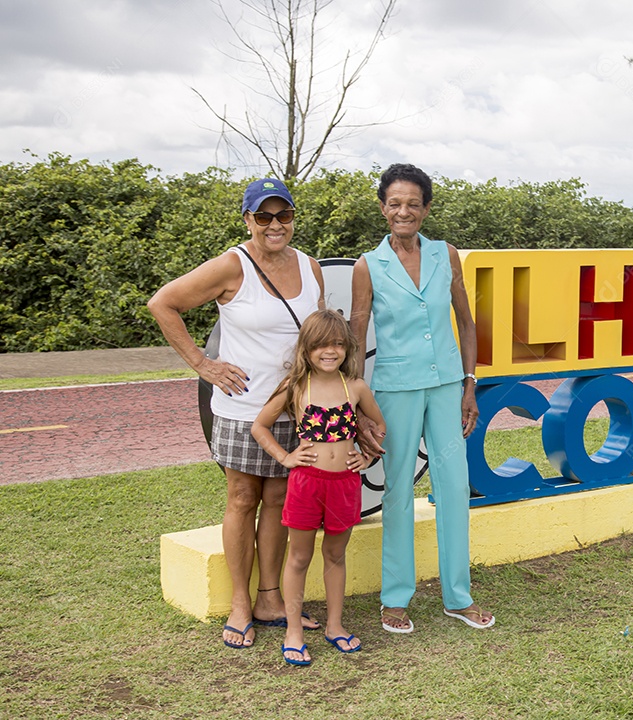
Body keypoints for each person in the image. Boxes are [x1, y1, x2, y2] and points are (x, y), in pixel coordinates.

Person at [148, 178, 376, 649]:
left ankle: (269, 597)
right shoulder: (233, 265)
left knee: (279, 501)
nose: (275, 225)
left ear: (293, 218)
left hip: (299, 407)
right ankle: (239, 602)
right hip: (243, 407)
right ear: (248, 219)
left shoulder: (310, 267)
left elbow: (316, 336)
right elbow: (163, 302)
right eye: (264, 216)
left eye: (284, 215)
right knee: (241, 499)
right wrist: (203, 364)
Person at [350, 163, 494, 633]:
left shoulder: (445, 255)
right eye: (395, 203)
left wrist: (469, 383)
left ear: (426, 208)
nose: (404, 211)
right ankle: (396, 597)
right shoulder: (367, 266)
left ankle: (458, 596)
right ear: (382, 208)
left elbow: (466, 323)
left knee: (454, 486)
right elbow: (355, 336)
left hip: (448, 385)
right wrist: (355, 406)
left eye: (413, 203)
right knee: (398, 492)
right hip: (394, 390)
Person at [251, 309, 386, 665]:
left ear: (347, 348)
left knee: (335, 556)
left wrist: (367, 459)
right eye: (323, 345)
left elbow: (379, 425)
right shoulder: (296, 386)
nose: (331, 351)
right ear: (307, 348)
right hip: (306, 483)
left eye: (339, 344)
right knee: (298, 557)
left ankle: (335, 626)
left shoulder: (354, 386)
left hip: (344, 484)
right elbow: (259, 426)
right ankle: (293, 630)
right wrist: (285, 457)